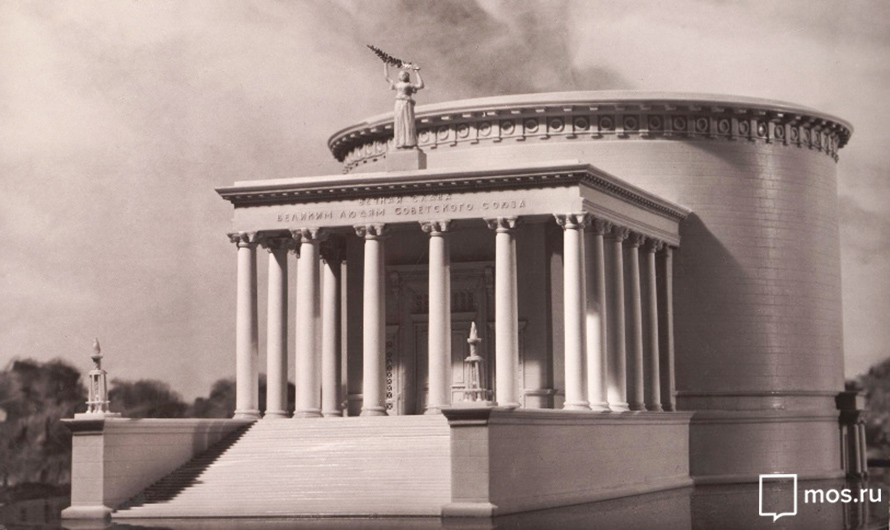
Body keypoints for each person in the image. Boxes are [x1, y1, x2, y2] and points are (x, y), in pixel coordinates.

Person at [385, 62, 424, 149]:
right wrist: (385, 64)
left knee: (408, 122)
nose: (403, 76)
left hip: (407, 104)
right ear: (399, 77)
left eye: (404, 74)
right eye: (401, 74)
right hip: (399, 104)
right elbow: (387, 77)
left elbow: (421, 85)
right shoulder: (397, 85)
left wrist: (416, 72)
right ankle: (399, 142)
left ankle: (410, 142)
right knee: (399, 122)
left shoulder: (409, 85)